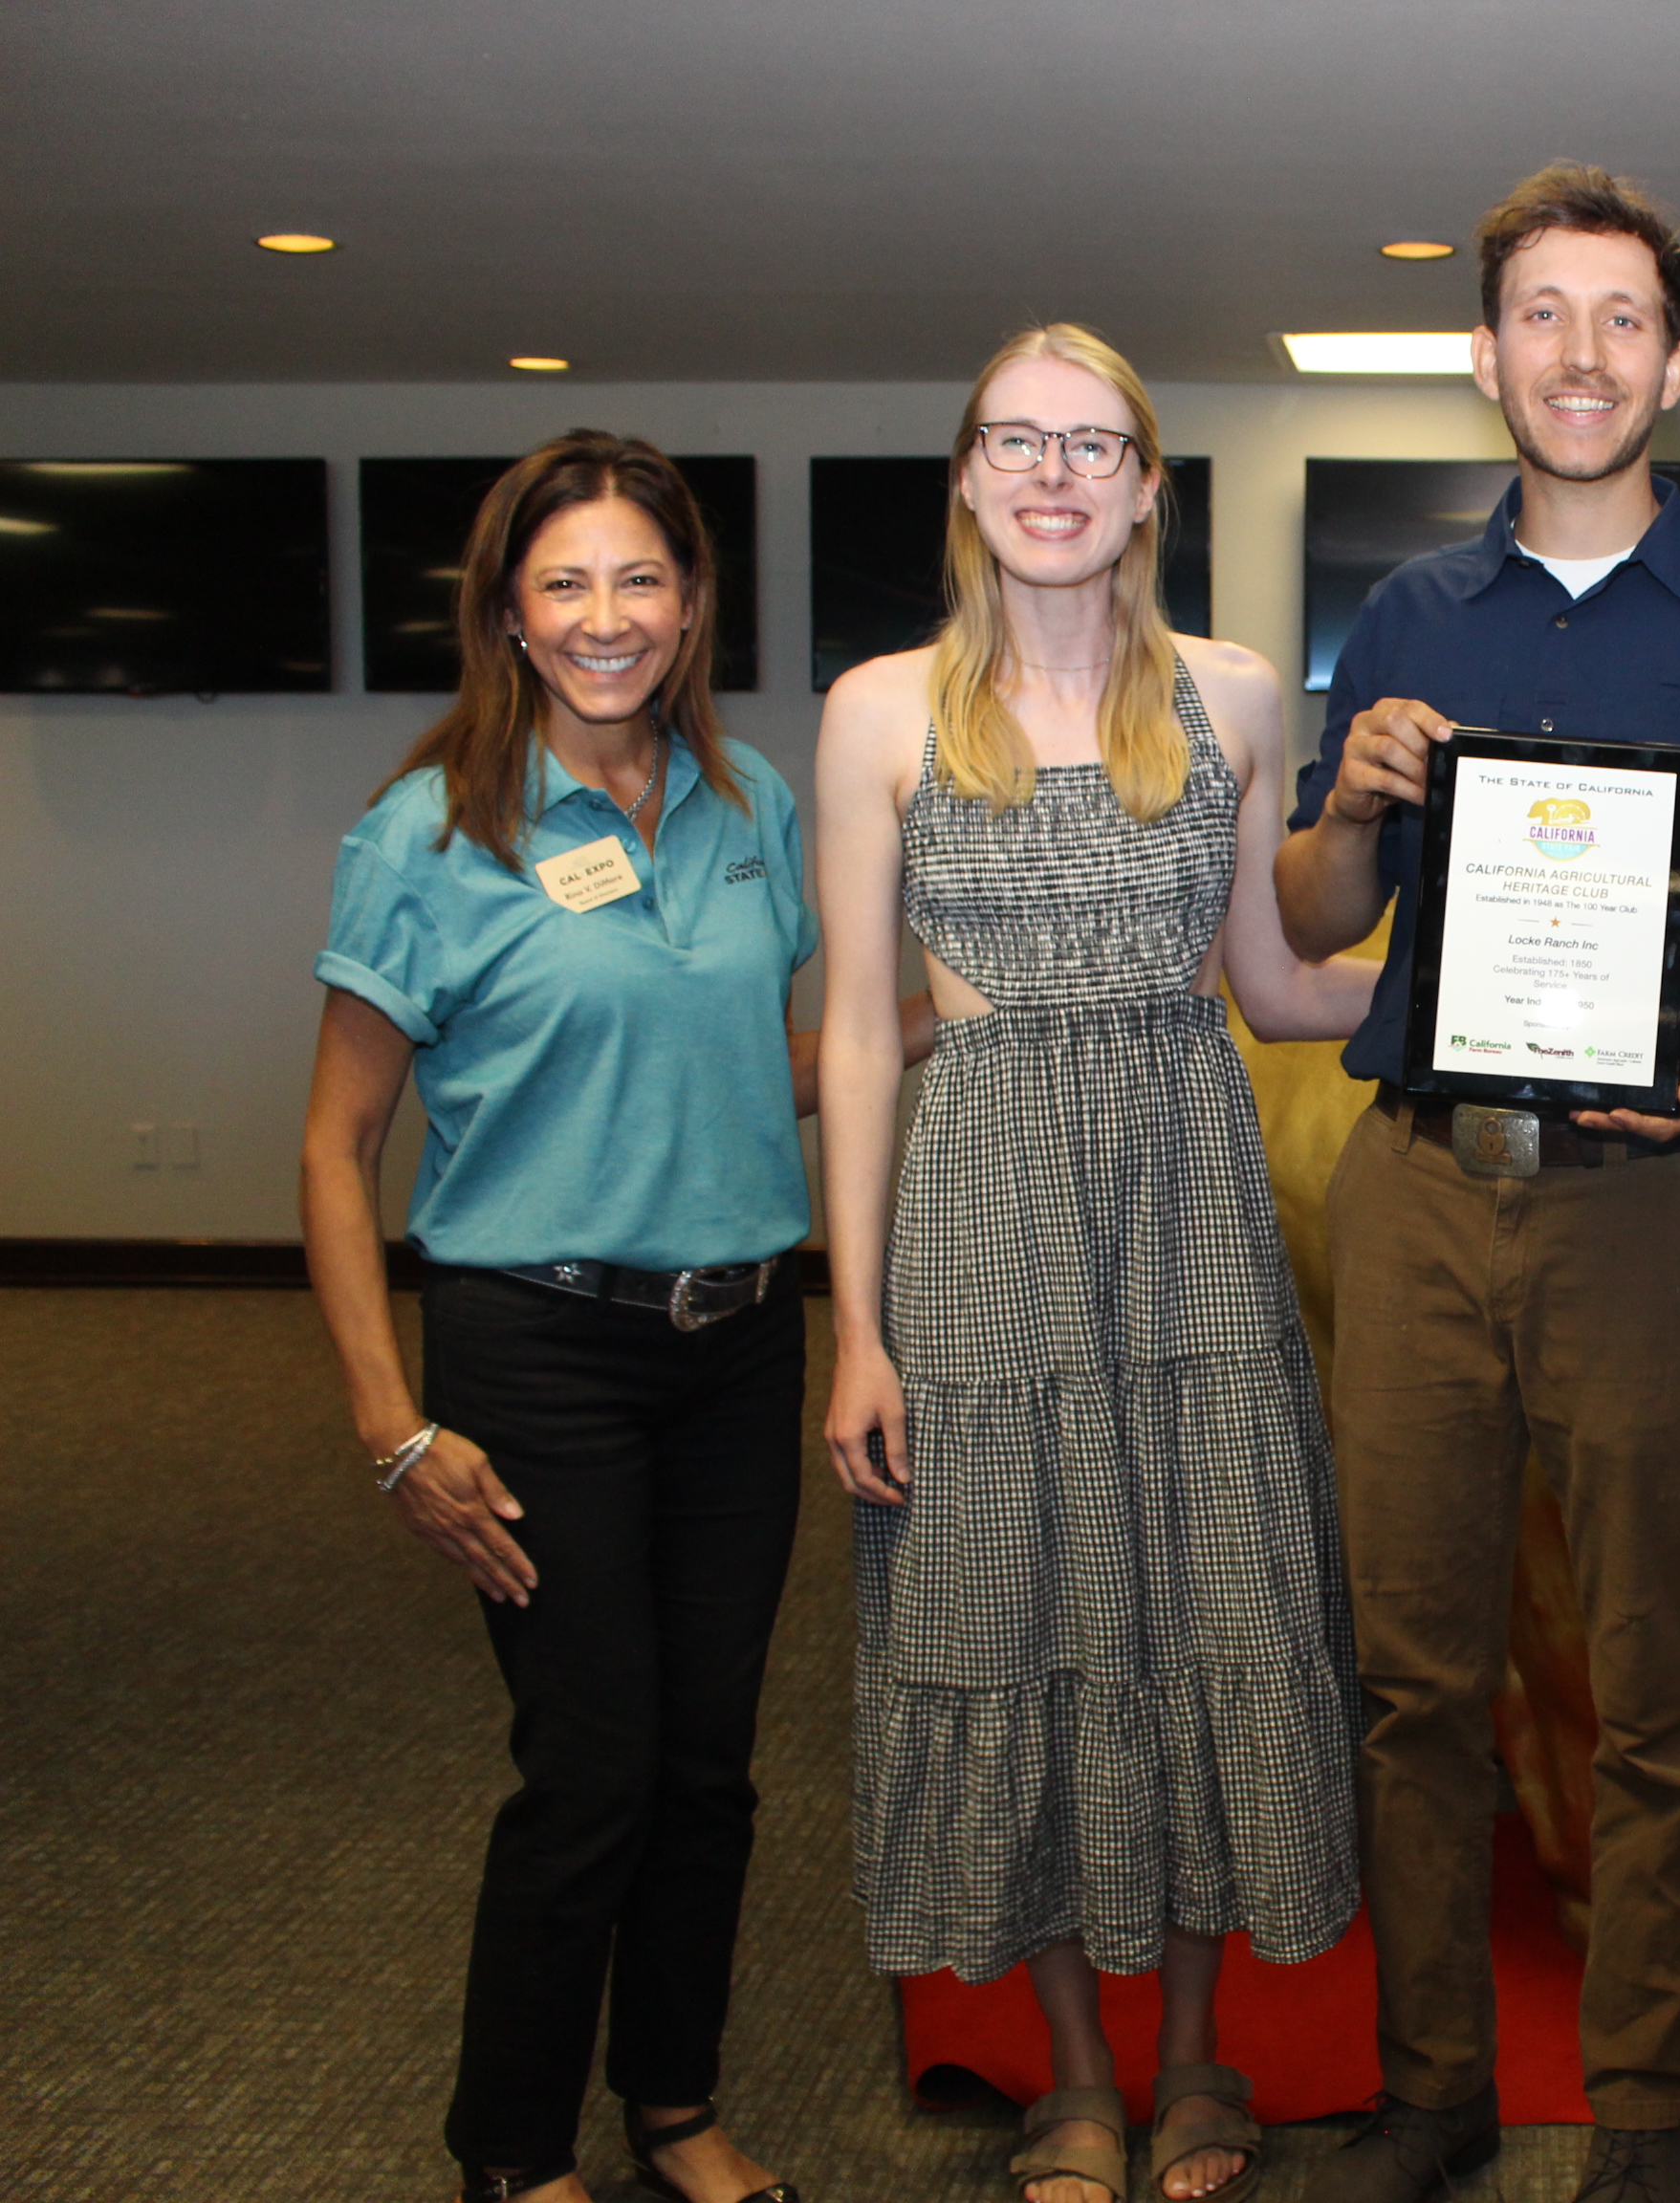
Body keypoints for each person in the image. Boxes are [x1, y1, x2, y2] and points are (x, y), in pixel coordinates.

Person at [1270, 164, 1680, 2203]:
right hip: (1421, 1194)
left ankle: (1642, 2118)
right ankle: (1436, 2094)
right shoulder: (1405, 619)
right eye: (1543, 314)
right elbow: (1314, 911)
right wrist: (1350, 807)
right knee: (1414, 1680)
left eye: (1623, 318)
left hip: (1648, 1207)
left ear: (1678, 362)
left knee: (1659, 1676)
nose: (1581, 354)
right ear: (1487, 356)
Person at [814, 323, 1371, 2203]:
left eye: (1092, 445)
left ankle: (1197, 2058)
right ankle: (1071, 2075)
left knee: (1202, 1603)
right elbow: (860, 1039)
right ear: (968, 479)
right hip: (981, 1214)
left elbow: (1277, 986)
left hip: (1186, 1208)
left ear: (1147, 489)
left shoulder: (1233, 694)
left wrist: (1509, 1006)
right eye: (1015, 441)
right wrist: (856, 1333)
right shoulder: (881, 710)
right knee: (1019, 1615)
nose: (1052, 475)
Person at [302, 430, 893, 2203]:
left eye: (641, 577)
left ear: (693, 602)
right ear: (508, 611)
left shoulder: (747, 803)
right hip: (537, 1350)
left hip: (738, 1348)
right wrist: (389, 1424)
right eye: (564, 582)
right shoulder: (430, 832)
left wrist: (936, 1017)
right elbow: (335, 1146)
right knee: (594, 1769)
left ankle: (675, 2108)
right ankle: (509, 2150)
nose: (606, 615)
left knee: (709, 1768)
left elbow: (744, 1064)